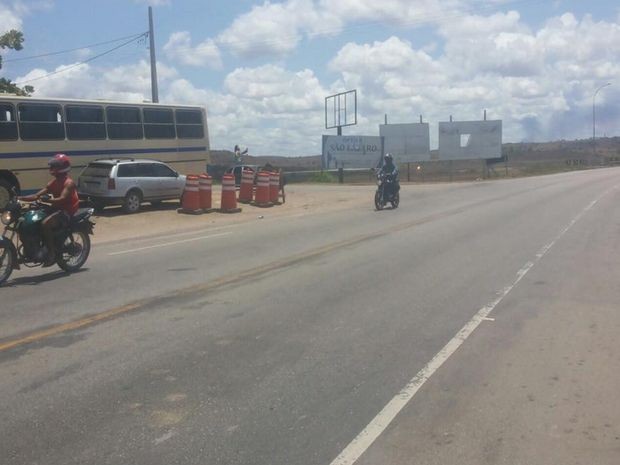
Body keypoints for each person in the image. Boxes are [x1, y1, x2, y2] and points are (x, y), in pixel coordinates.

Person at [19, 153, 80, 266]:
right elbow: (37, 195)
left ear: (63, 167)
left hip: (67, 211)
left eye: (55, 166)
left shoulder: (69, 183)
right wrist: (20, 198)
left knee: (45, 223)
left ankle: (51, 253)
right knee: (27, 218)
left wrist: (46, 200)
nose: (52, 168)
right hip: (55, 208)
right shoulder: (53, 183)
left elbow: (62, 199)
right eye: (53, 165)